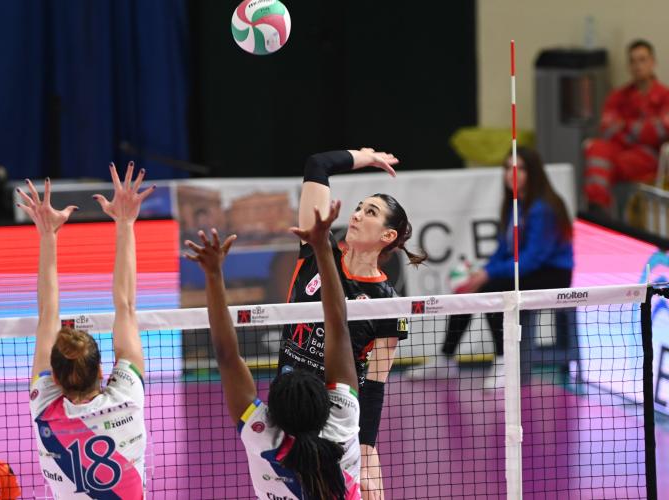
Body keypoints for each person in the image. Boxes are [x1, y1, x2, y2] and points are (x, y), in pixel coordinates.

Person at [185, 200, 361, 499]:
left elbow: (227, 357)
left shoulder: (262, 438)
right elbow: (339, 326)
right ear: (325, 406)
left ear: (272, 416)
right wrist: (323, 248)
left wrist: (213, 275)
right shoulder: (343, 422)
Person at [276, 148, 424, 498]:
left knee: (371, 491)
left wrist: (367, 449)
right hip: (291, 410)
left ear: (387, 236)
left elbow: (375, 384)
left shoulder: (387, 303)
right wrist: (365, 157)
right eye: (358, 207)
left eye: (370, 212)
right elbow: (317, 164)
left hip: (338, 420)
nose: (356, 215)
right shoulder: (316, 252)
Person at [21, 164, 154, 498]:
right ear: (100, 370)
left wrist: (48, 236)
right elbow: (126, 305)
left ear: (55, 376)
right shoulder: (126, 399)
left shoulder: (46, 411)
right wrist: (125, 222)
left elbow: (47, 315)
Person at [415, 148, 573, 387]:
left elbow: (532, 258)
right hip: (526, 269)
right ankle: (446, 359)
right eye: (508, 168)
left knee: (492, 288)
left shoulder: (543, 208)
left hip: (551, 274)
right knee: (470, 288)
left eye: (519, 168)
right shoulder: (513, 205)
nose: (512, 174)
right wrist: (481, 272)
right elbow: (503, 251)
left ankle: (504, 361)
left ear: (534, 173)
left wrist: (488, 274)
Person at [584, 39, 669, 211]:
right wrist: (642, 129)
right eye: (633, 61)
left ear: (653, 62)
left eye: (642, 60)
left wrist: (625, 125)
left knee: (607, 166)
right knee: (597, 148)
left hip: (649, 156)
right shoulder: (618, 96)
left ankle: (599, 212)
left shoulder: (665, 96)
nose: (638, 66)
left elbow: (660, 132)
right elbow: (607, 130)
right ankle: (597, 207)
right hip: (620, 150)